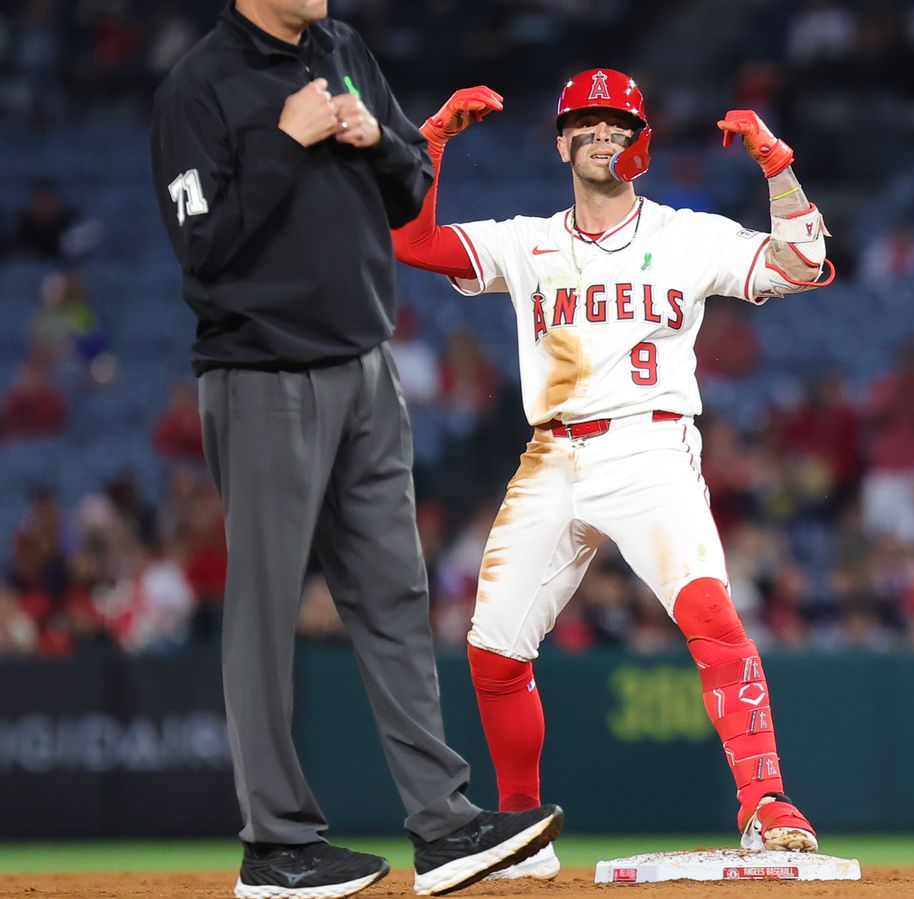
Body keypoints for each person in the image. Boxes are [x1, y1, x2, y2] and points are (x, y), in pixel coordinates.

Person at [148, 2, 562, 897]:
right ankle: (276, 843)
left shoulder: (342, 49)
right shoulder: (198, 87)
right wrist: (281, 143)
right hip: (262, 373)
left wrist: (375, 138)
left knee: (394, 593)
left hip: (366, 364)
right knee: (264, 607)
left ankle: (444, 824)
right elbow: (202, 247)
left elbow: (412, 190)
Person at [392, 69, 834, 879]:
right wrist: (432, 140)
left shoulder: (689, 234)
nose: (603, 133)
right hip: (551, 453)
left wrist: (776, 164)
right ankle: (522, 831)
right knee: (493, 651)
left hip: (651, 445)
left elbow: (804, 266)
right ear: (561, 142)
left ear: (642, 144)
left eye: (619, 123)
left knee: (709, 611)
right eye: (586, 123)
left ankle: (765, 803)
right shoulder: (529, 241)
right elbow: (411, 242)